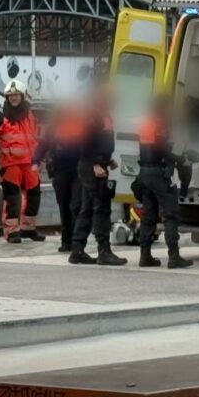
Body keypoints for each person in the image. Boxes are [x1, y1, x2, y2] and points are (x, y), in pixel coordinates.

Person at [70, 85, 127, 265]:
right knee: (101, 207)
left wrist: (107, 160)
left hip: (95, 165)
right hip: (91, 167)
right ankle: (104, 251)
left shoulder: (102, 115)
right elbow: (85, 142)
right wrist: (95, 163)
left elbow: (99, 142)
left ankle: (77, 250)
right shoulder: (94, 115)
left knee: (87, 209)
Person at [135, 95, 193, 269]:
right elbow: (159, 150)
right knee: (171, 214)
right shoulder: (159, 123)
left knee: (148, 216)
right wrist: (180, 160)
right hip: (158, 174)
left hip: (144, 173)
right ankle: (174, 256)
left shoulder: (145, 124)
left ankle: (145, 255)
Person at [0, 80, 44, 244]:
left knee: (34, 195)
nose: (13, 98)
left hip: (30, 163)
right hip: (11, 163)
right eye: (10, 96)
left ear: (22, 96)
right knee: (13, 199)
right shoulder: (1, 115)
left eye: (16, 95)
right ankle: (12, 231)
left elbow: (36, 135)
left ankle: (28, 228)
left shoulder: (30, 114)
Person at [34, 101, 85, 253]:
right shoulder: (54, 127)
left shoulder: (82, 125)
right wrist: (35, 161)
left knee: (75, 205)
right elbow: (43, 145)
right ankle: (67, 240)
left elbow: (90, 145)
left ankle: (75, 241)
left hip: (77, 170)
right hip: (60, 170)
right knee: (64, 206)